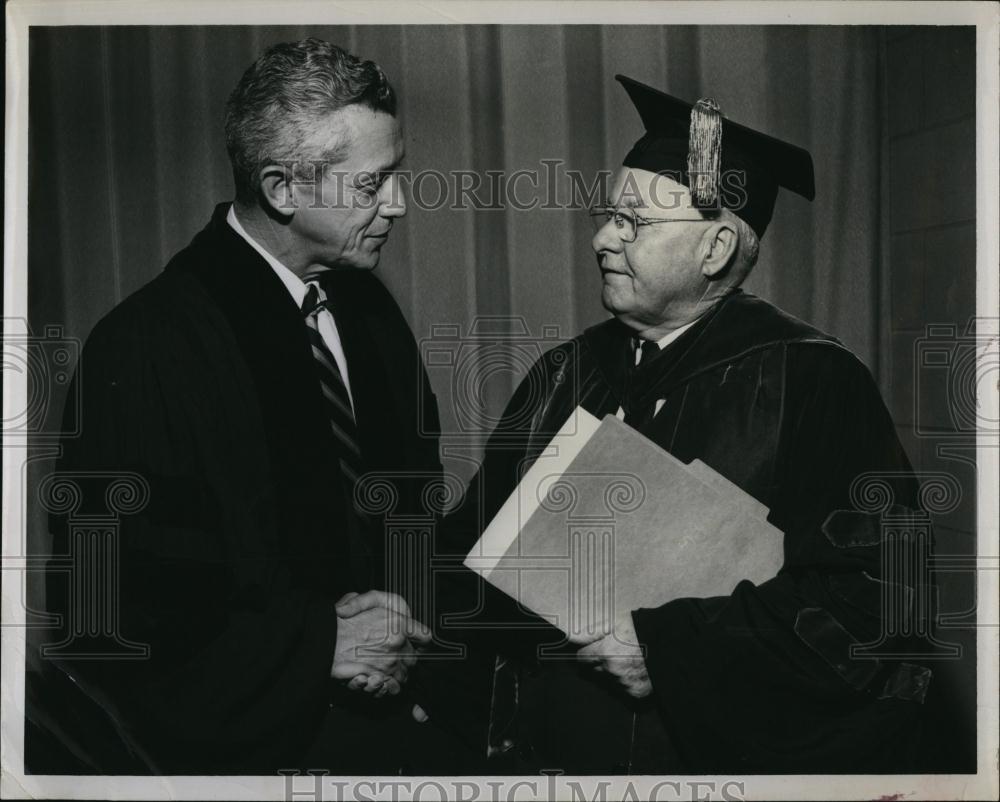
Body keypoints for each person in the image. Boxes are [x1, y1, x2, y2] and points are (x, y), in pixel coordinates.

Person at [423, 75, 938, 774]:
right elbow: (477, 541)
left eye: (634, 222)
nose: (604, 239)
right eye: (609, 216)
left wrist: (667, 648)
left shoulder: (812, 381)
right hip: (546, 754)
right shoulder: (565, 373)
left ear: (717, 247)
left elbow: (876, 600)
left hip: (705, 762)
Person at [29, 39, 448, 775]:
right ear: (283, 188)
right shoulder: (146, 347)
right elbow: (114, 608)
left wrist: (400, 641)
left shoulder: (369, 313)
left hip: (393, 721)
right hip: (247, 753)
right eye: (372, 184)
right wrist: (320, 645)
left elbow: (412, 502)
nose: (400, 205)